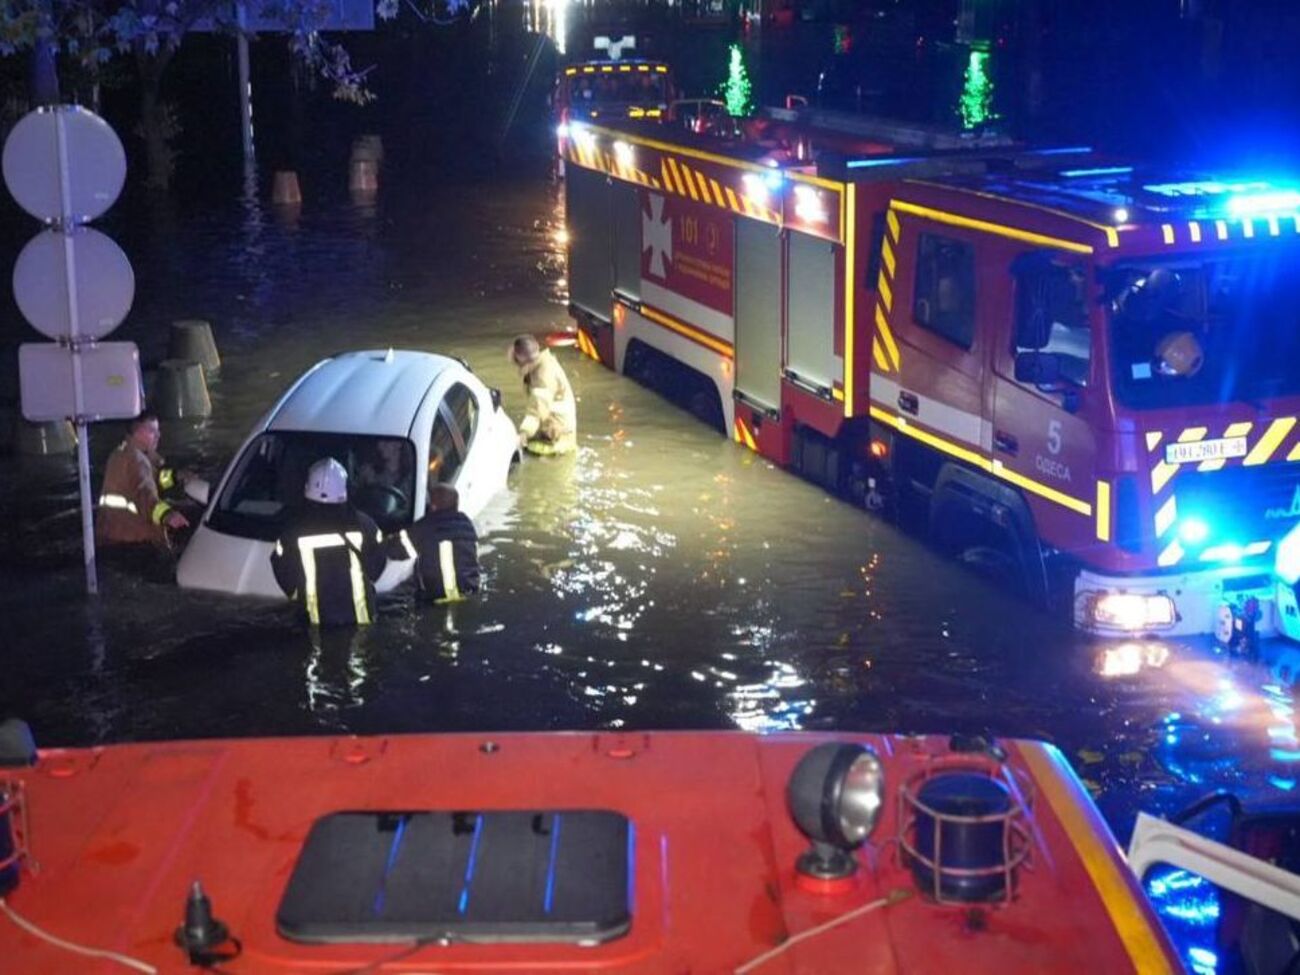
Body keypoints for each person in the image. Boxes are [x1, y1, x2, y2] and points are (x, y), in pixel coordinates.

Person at [271, 458, 387, 628]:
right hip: (361, 620)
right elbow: (377, 562)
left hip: (315, 623)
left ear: (307, 489)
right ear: (345, 489)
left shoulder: (292, 532)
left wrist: (299, 594)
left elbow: (283, 570)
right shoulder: (364, 524)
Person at [96, 411, 192, 572]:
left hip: (110, 535)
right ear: (139, 432)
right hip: (134, 540)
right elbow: (145, 496)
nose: (158, 436)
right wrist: (167, 515)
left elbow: (149, 481)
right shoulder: (138, 461)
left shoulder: (121, 452)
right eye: (152, 431)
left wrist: (175, 477)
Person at [392, 484, 481, 602]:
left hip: (436, 597)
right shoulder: (467, 524)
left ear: (433, 506)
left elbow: (395, 551)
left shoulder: (423, 527)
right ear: (457, 504)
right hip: (469, 591)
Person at [510, 333, 577, 456]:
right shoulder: (541, 363)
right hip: (558, 425)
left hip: (557, 434)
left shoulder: (543, 376)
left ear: (519, 357)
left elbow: (537, 407)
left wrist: (523, 435)